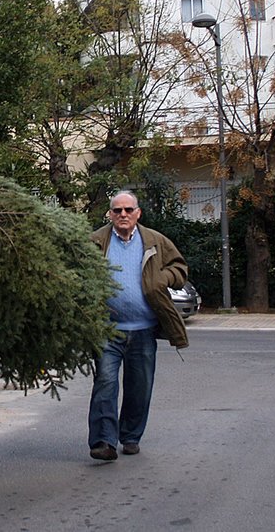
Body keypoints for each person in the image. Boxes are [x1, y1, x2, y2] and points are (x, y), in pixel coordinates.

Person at [88, 190, 189, 460]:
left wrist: (163, 278)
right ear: (110, 214)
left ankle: (131, 436)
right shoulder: (96, 242)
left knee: (139, 386)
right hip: (106, 328)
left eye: (128, 210)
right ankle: (103, 442)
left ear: (138, 213)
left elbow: (180, 269)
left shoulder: (154, 240)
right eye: (117, 210)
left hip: (144, 329)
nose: (123, 215)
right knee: (105, 383)